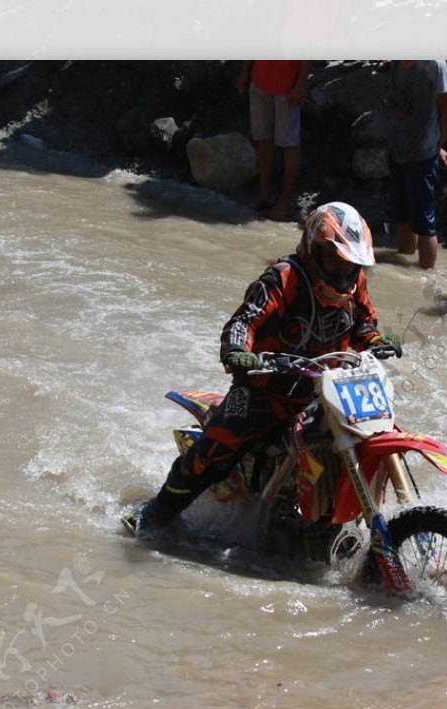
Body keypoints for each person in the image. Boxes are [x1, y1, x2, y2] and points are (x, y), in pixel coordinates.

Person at [124, 202, 402, 534]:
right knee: (218, 447)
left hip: (326, 390)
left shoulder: (354, 283)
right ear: (313, 248)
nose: (342, 271)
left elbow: (364, 324)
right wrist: (238, 352)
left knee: (380, 430)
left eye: (349, 264)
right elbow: (243, 322)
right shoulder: (284, 278)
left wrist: (375, 339)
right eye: (333, 260)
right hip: (267, 388)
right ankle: (156, 513)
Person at [389, 60, 447, 270]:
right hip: (398, 150)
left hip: (423, 155)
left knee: (424, 223)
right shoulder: (395, 62)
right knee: (402, 217)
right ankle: (405, 271)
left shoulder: (435, 65)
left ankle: (427, 276)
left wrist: (437, 146)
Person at [235, 60, 310, 222]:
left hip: (287, 87)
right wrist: (245, 74)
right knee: (264, 139)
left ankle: (286, 202)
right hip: (259, 82)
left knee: (290, 144)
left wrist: (300, 86)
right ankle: (265, 194)